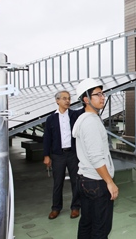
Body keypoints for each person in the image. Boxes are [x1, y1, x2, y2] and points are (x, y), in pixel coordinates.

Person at [72, 78, 119, 239]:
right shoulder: (90, 122)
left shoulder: (84, 119)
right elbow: (96, 157)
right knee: (101, 227)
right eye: (97, 94)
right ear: (86, 99)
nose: (102, 97)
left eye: (102, 93)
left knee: (87, 222)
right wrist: (109, 182)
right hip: (97, 182)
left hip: (86, 179)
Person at [43, 90, 83, 219]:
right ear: (57, 101)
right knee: (57, 183)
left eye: (69, 98)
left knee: (75, 181)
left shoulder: (74, 115)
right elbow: (47, 138)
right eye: (64, 98)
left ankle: (75, 207)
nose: (67, 101)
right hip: (58, 155)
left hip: (72, 154)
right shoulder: (51, 119)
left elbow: (86, 109)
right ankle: (56, 208)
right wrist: (46, 155)